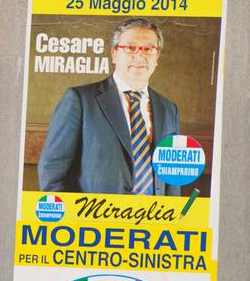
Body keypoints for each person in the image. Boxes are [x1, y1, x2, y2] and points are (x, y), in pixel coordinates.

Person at [37, 17, 183, 196]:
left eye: (149, 49)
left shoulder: (169, 110)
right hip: (93, 220)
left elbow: (173, 177)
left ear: (157, 56)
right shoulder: (80, 100)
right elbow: (52, 171)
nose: (139, 55)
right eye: (130, 47)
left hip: (154, 220)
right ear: (114, 54)